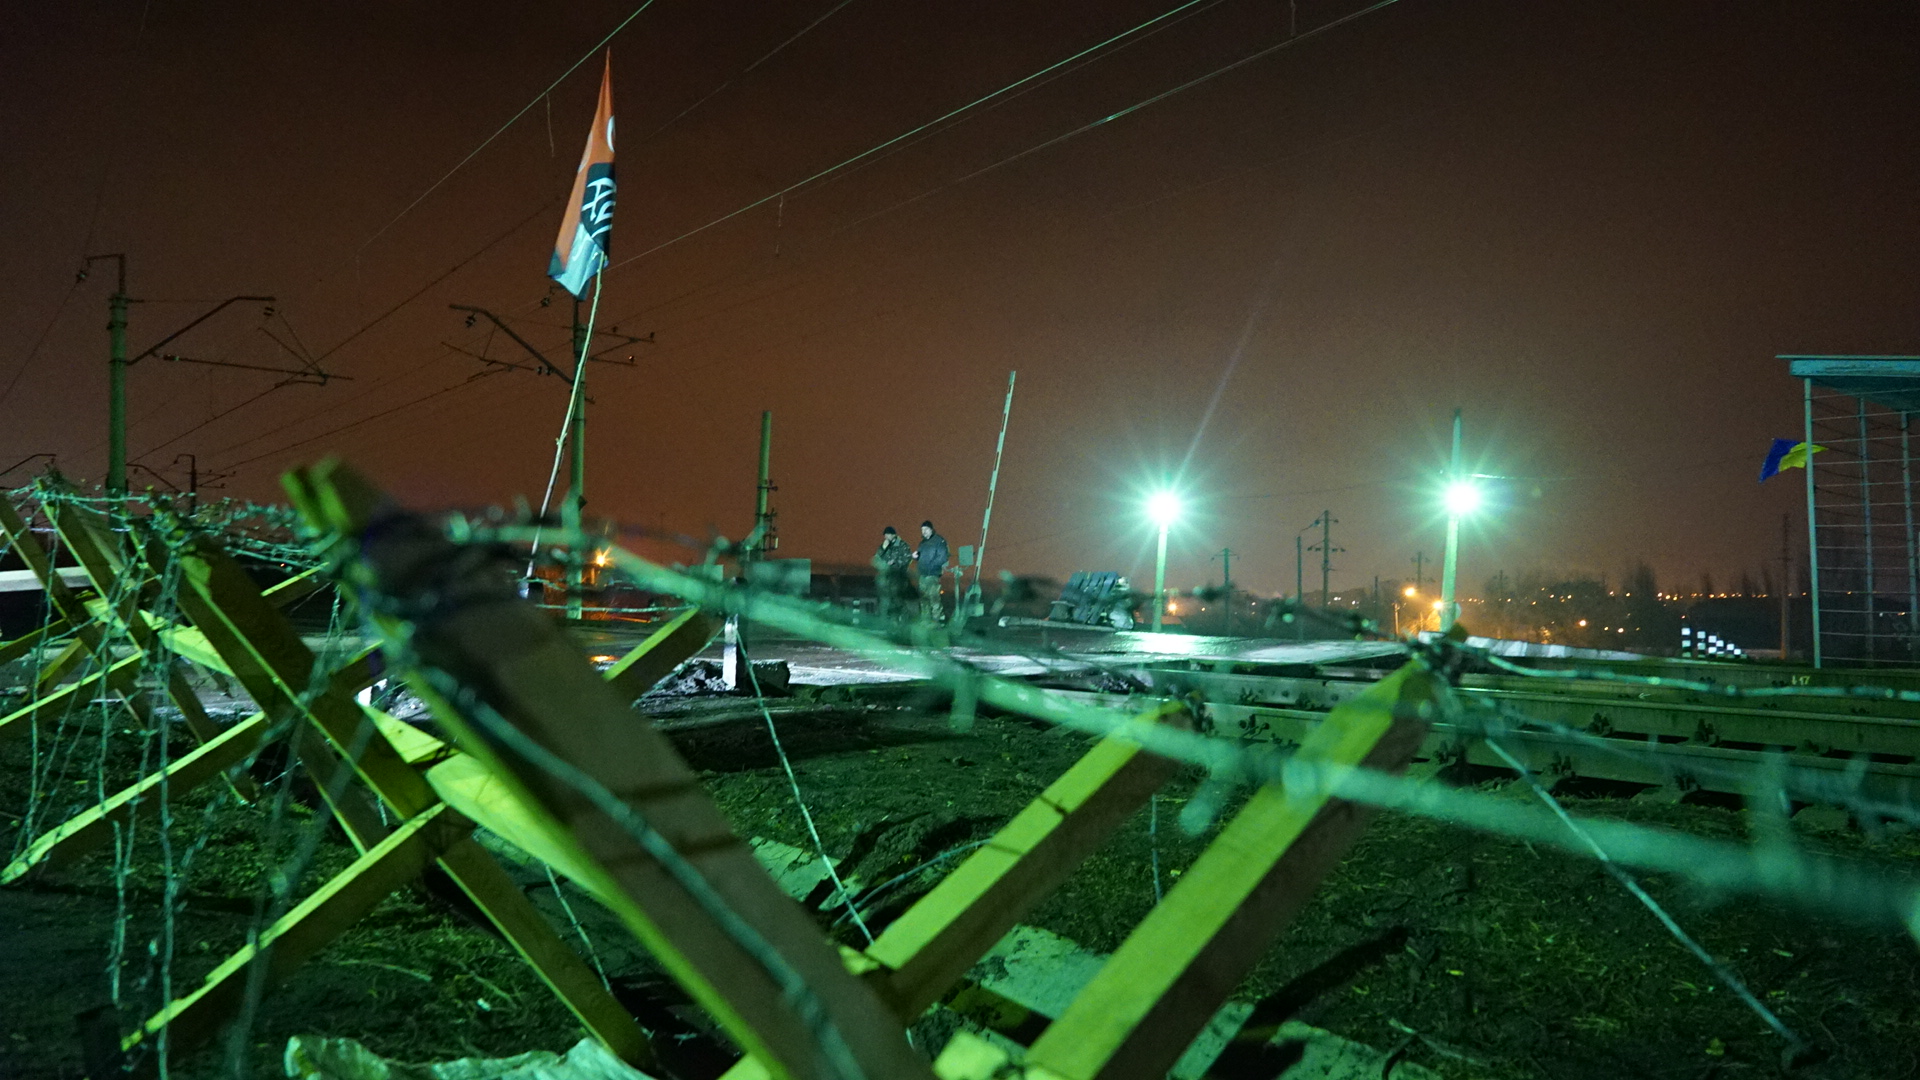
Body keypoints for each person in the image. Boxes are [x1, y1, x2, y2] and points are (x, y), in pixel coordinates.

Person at [872, 525, 912, 618]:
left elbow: (907, 559)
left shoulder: (902, 545)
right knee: (885, 600)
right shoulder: (884, 546)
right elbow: (877, 558)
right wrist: (883, 548)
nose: (886, 537)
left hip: (898, 577)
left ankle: (904, 616)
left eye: (888, 535)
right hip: (886, 578)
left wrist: (895, 563)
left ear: (893, 535)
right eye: (885, 535)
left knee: (897, 599)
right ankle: (885, 619)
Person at [912, 520, 949, 622]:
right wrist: (916, 557)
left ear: (931, 529)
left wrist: (931, 566)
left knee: (934, 598)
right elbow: (920, 557)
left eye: (926, 529)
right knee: (924, 600)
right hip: (922, 575)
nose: (924, 532)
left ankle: (937, 620)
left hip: (933, 575)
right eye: (922, 530)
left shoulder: (939, 541)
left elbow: (943, 557)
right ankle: (926, 621)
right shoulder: (922, 543)